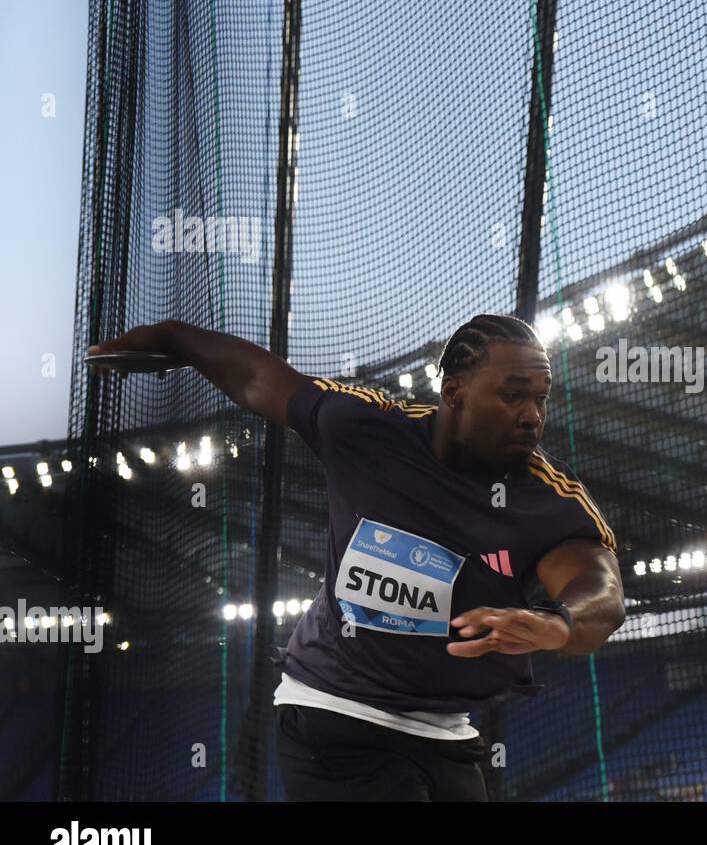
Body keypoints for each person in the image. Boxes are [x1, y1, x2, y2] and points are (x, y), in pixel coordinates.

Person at [88, 314, 625, 801]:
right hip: (335, 711)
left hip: (445, 731)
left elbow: (599, 584)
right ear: (454, 392)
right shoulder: (368, 430)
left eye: (542, 399)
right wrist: (173, 338)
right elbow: (260, 380)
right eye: (513, 396)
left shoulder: (546, 498)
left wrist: (558, 623)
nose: (533, 416)